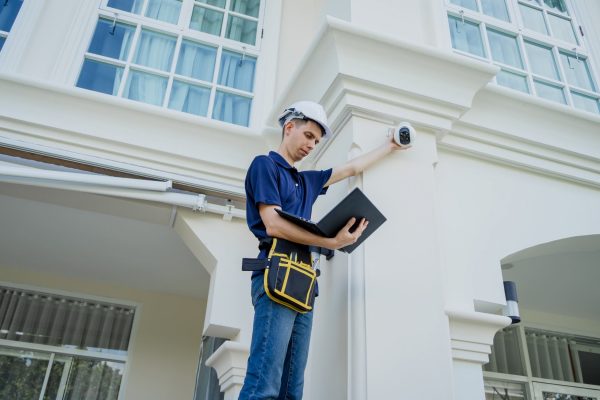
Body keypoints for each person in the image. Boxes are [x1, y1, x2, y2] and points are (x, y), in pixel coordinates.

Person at [239, 101, 409, 400]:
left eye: (316, 141)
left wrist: (391, 146)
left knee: (292, 390)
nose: (311, 145)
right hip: (276, 272)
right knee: (263, 385)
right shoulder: (264, 165)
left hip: (304, 282)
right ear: (289, 127)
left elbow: (352, 168)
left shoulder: (306, 181)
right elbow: (273, 225)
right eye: (308, 135)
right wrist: (330, 242)